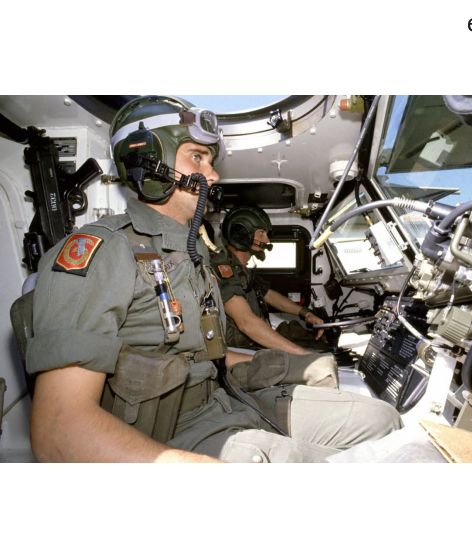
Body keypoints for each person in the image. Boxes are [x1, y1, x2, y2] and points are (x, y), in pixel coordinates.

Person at [26, 95, 401, 463]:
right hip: (172, 430)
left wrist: (281, 366)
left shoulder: (192, 255)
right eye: (197, 157)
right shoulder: (103, 252)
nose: (213, 174)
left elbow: (203, 358)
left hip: (227, 396)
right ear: (149, 161)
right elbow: (58, 430)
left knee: (384, 420)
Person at [211, 206, 328, 355]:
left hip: (252, 344)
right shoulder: (223, 269)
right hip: (241, 351)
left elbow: (269, 295)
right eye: (261, 233)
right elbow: (246, 323)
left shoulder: (242, 269)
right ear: (241, 235)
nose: (266, 239)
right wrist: (302, 355)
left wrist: (306, 313)